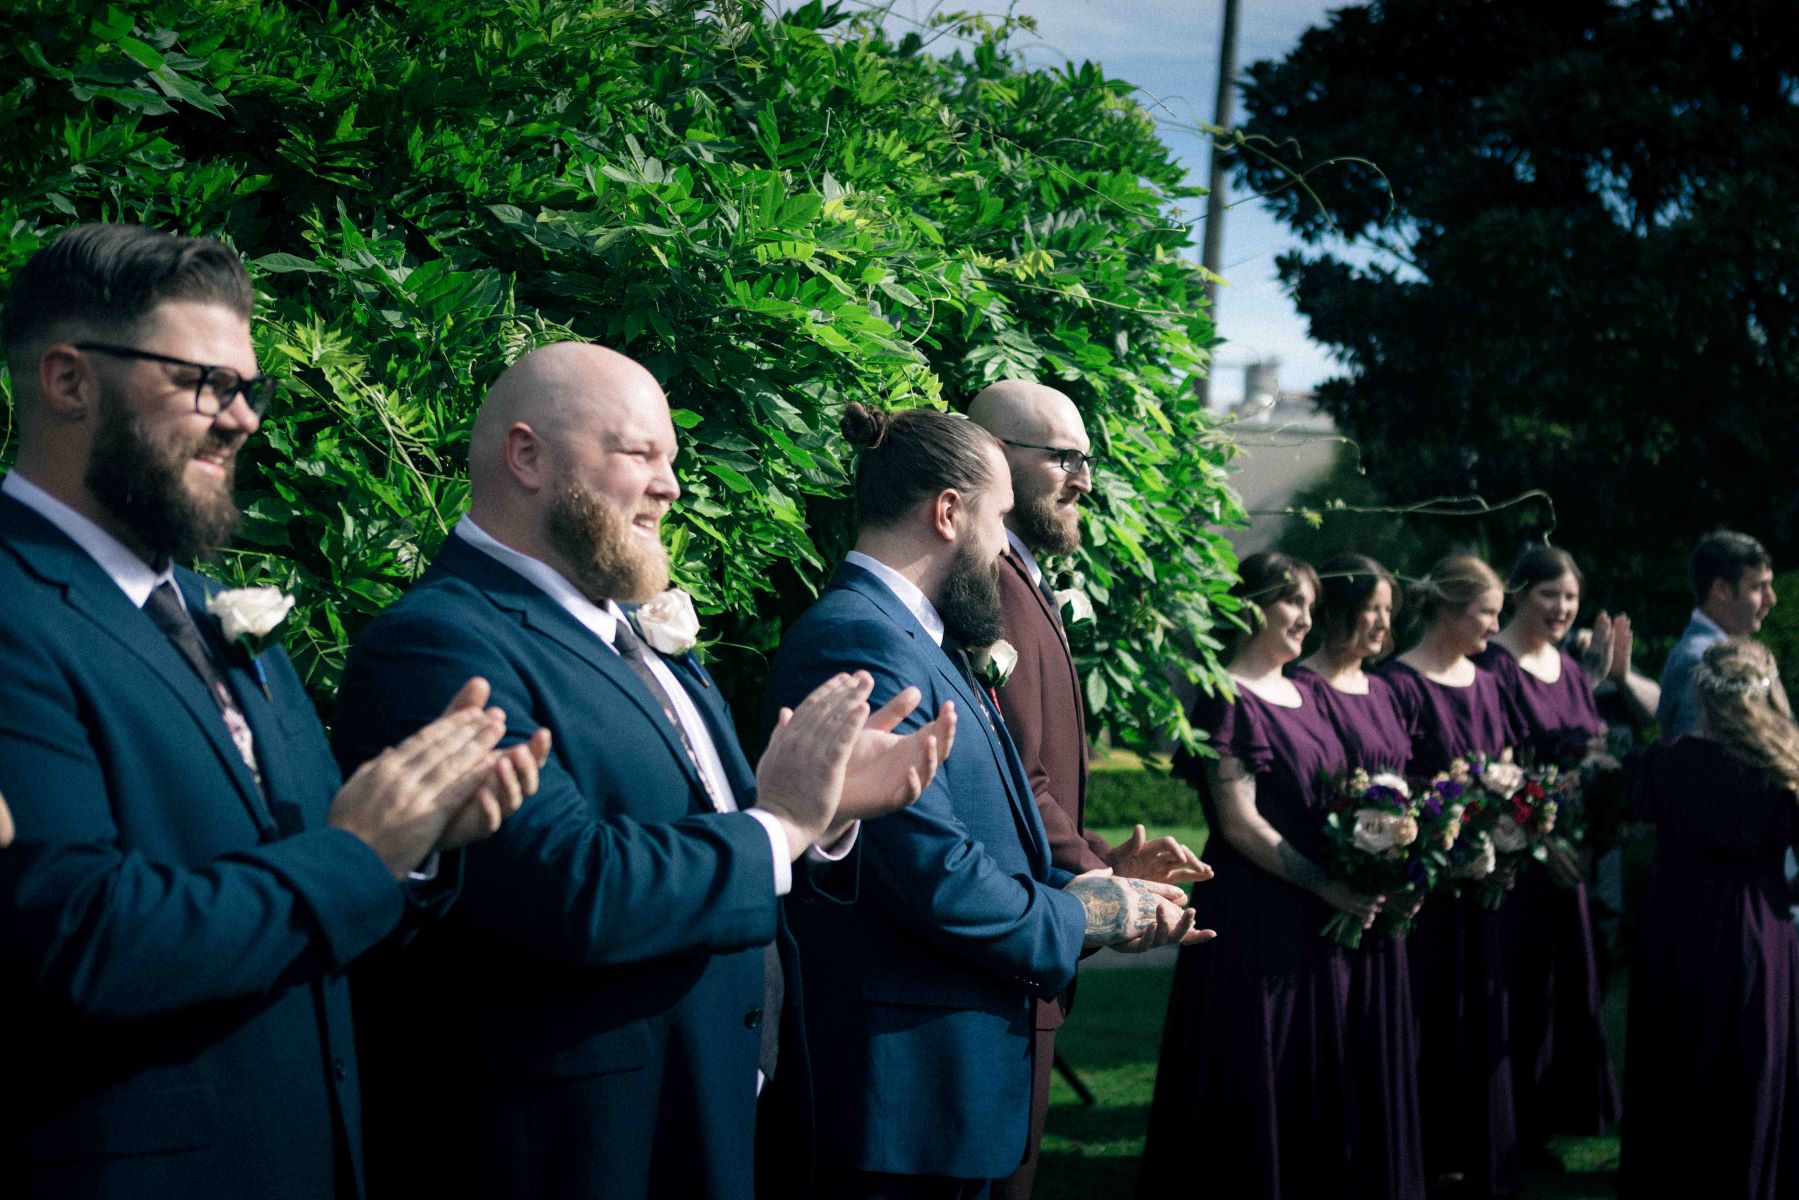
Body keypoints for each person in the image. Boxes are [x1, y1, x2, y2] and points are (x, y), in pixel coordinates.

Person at [0, 223, 546, 1199]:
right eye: (204, 383)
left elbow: (322, 900)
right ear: (68, 380)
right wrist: (354, 856)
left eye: (250, 388)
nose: (243, 419)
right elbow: (78, 938)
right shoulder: (14, 611)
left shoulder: (221, 616)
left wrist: (415, 847)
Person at [331, 344, 951, 1200]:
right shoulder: (441, 642)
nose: (671, 485)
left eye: (672, 460)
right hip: (582, 1147)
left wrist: (825, 813)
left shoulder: (634, 632)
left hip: (711, 1114)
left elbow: (721, 831)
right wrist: (778, 827)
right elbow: (566, 885)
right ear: (527, 456)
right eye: (640, 454)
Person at [767, 402, 1203, 1199]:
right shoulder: (858, 640)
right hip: (900, 1094)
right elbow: (929, 870)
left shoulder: (921, 643)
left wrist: (1087, 880)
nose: (1003, 545)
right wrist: (1094, 917)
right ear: (947, 513)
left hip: (942, 1089)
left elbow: (980, 832)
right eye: (997, 519)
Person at [967, 380, 1208, 1200]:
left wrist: (1109, 860)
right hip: (1009, 943)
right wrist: (1101, 883)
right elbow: (1011, 774)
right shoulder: (990, 582)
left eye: (1086, 460)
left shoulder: (1023, 577)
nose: (1084, 479)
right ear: (995, 459)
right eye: (1064, 458)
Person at [1140, 552, 1371, 1199]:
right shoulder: (1227, 697)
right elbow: (1238, 823)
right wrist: (1325, 884)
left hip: (1313, 913)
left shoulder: (1309, 692)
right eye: (1291, 601)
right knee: (1254, 1065)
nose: (1305, 616)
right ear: (1251, 607)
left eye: (1308, 603)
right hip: (1254, 911)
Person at [1621, 638, 1799, 1199]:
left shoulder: (1663, 761)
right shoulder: (1780, 766)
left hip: (1677, 919)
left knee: (1676, 1050)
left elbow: (1630, 814)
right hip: (1757, 923)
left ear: (1700, 690)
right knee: (1750, 1058)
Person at [1378, 554, 1523, 1198]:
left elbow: (1509, 763)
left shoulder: (1491, 680)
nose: (1496, 627)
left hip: (1484, 882)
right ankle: (1426, 1153)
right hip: (1424, 886)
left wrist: (1509, 827)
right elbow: (1392, 780)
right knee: (1425, 1016)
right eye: (1488, 613)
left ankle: (1479, 1153)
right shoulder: (1397, 684)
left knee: (1481, 1012)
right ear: (1450, 609)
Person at [1474, 546, 1620, 1154]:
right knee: (1513, 992)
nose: (1561, 608)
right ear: (1518, 592)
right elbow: (1490, 770)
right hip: (1515, 860)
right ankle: (1506, 1132)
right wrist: (1539, 840)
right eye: (1549, 595)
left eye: (1571, 598)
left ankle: (1545, 1128)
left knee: (1564, 990)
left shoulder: (1569, 668)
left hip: (1571, 860)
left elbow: (1590, 753)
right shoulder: (1493, 666)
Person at [1294, 552, 1425, 1200]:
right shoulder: (1301, 687)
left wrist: (1410, 860)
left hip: (1383, 907)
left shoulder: (1386, 690)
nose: (1381, 624)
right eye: (1371, 609)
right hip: (1330, 898)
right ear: (1339, 610)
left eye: (1388, 613)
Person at [1658, 530, 1779, 737]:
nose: (1771, 599)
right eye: (1758, 587)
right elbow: (1694, 756)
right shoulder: (1699, 660)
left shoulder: (1740, 650)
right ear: (1721, 589)